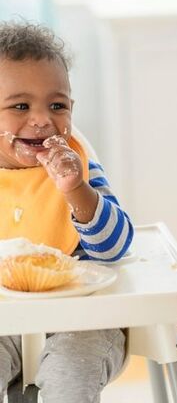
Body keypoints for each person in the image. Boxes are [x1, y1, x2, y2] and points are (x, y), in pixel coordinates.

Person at [0, 22, 133, 402]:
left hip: (84, 319)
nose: (42, 120)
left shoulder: (76, 166)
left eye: (56, 105)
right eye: (20, 106)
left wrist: (77, 190)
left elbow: (115, 248)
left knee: (67, 379)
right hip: (6, 321)